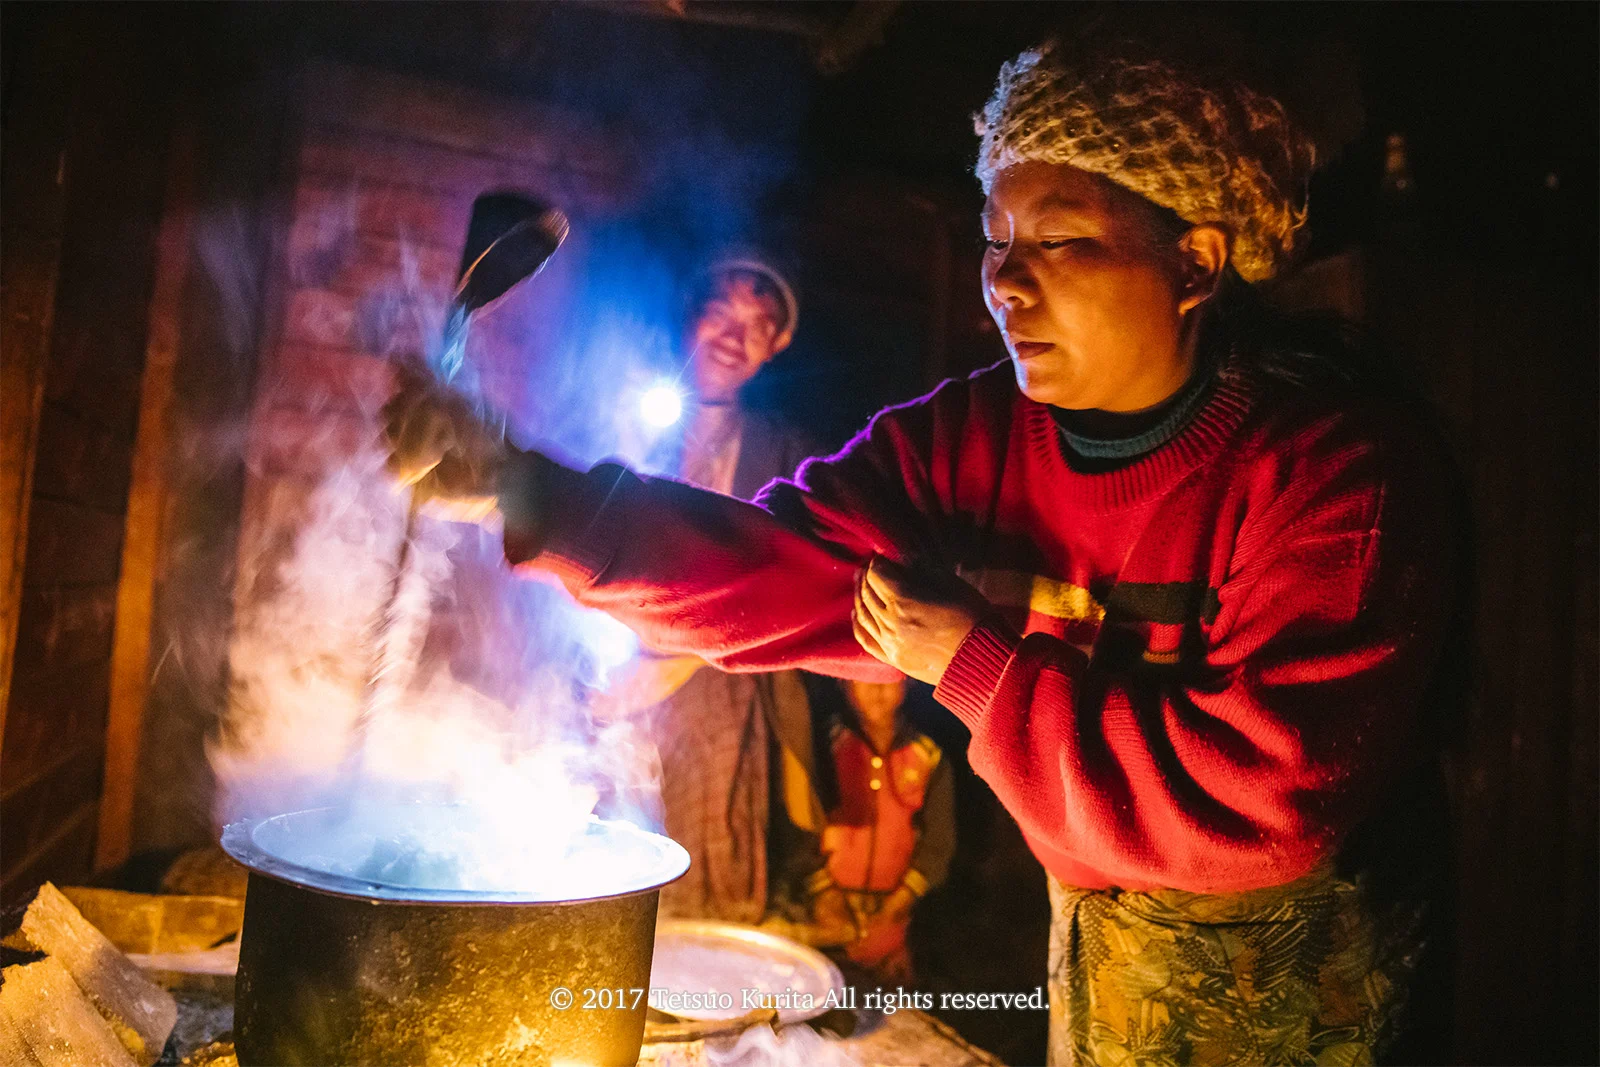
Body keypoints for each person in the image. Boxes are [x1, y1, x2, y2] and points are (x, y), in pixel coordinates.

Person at [384, 38, 1463, 1065]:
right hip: (1100, 976)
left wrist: (977, 663)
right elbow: (773, 569)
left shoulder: (1334, 471)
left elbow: (1257, 801)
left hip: (1313, 1004)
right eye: (996, 237)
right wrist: (528, 489)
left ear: (1195, 260)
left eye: (1061, 238)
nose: (1005, 278)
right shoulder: (974, 439)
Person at [597, 253, 818, 923]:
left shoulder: (786, 452)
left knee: (712, 881)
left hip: (726, 688)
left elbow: (792, 584)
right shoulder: (618, 415)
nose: (734, 334)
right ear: (690, 313)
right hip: (613, 680)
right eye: (722, 310)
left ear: (776, 347)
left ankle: (708, 1018)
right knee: (608, 870)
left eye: (760, 324)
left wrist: (678, 663)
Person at [768, 675, 954, 982]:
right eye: (860, 679)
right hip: (825, 915)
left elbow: (939, 840)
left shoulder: (927, 755)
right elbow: (800, 824)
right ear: (845, 686)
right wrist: (825, 895)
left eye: (889, 679)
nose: (876, 688)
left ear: (906, 683)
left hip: (893, 920)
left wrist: (897, 905)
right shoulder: (825, 746)